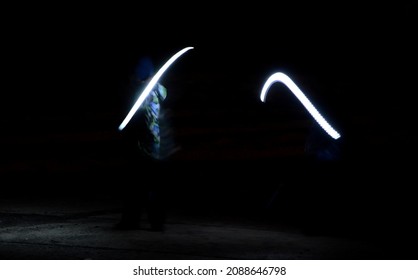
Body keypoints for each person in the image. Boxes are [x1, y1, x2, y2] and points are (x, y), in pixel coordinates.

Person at [115, 55, 176, 231]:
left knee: (139, 185)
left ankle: (136, 221)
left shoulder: (145, 92)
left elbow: (143, 116)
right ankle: (154, 222)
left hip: (148, 146)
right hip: (156, 147)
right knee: (148, 186)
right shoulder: (158, 90)